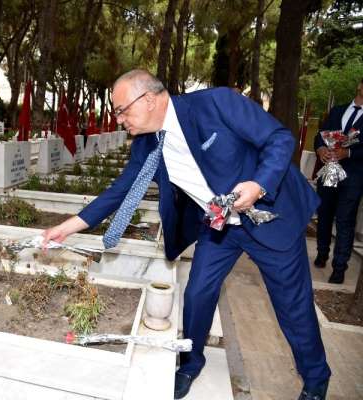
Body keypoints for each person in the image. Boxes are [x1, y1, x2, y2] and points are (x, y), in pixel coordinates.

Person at [42, 69, 331, 400]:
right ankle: (191, 362)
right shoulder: (146, 144)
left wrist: (258, 184)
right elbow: (120, 191)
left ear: (149, 99)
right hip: (219, 227)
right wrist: (69, 226)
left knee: (292, 306)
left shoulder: (216, 103)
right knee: (197, 295)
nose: (119, 119)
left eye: (122, 110)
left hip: (269, 216)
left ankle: (316, 376)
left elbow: (279, 138)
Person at [313, 79, 363, 284]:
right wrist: (320, 149)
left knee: (345, 220)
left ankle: (339, 267)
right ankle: (322, 253)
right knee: (324, 214)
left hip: (354, 176)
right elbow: (320, 135)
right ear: (360, 85)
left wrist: (349, 152)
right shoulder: (337, 110)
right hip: (330, 171)